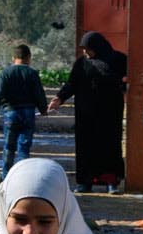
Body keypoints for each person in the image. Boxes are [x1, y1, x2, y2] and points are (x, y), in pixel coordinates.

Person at [53, 30, 128, 192]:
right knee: (86, 147)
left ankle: (111, 182)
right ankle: (85, 182)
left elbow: (129, 79)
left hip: (109, 113)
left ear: (98, 47)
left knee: (109, 146)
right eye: (83, 49)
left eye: (88, 48)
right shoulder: (81, 64)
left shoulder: (118, 60)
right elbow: (72, 84)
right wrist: (59, 98)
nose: (85, 52)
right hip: (86, 115)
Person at [0, 43, 50, 181]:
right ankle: (22, 178)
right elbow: (39, 94)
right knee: (24, 147)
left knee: (9, 146)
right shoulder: (32, 74)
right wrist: (43, 109)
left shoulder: (5, 73)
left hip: (11, 113)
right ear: (29, 58)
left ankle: (6, 177)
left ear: (13, 58)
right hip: (28, 113)